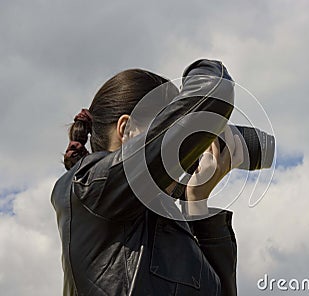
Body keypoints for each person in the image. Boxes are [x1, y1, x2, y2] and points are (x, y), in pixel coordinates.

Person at [51, 59, 243, 295]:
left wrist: (196, 205)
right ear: (127, 130)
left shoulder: (166, 222)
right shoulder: (88, 187)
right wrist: (209, 68)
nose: (182, 155)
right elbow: (216, 91)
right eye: (173, 132)